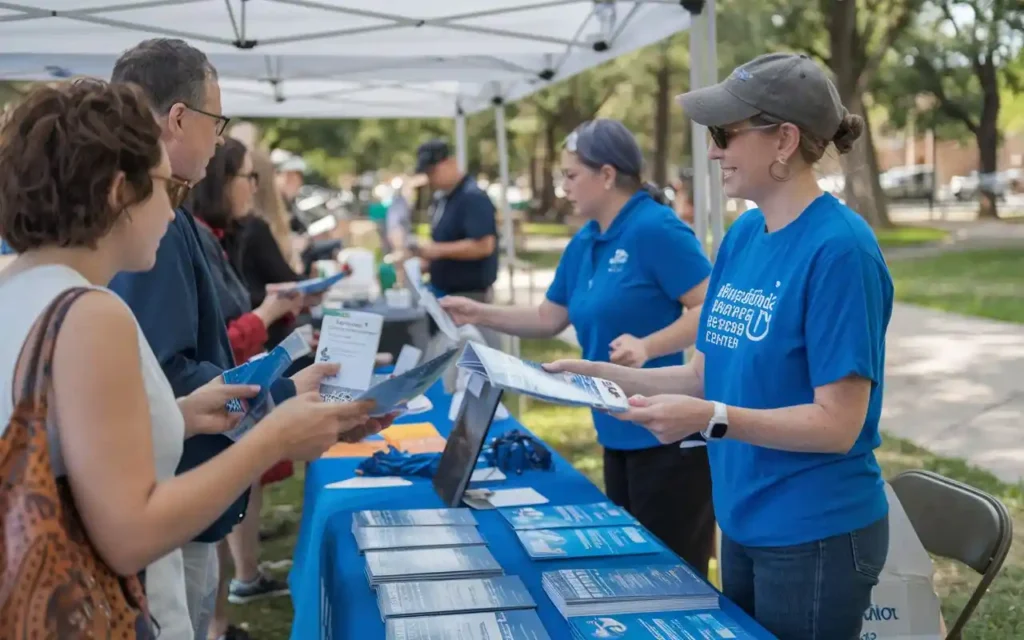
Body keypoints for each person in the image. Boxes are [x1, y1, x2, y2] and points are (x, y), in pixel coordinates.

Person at [0, 79, 380, 639]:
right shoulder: (89, 313)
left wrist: (184, 412)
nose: (174, 209)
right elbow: (130, 532)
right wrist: (270, 441)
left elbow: (73, 448)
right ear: (116, 192)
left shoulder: (19, 289)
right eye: (164, 188)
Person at [546, 53, 890, 640]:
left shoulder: (841, 251)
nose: (712, 151)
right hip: (744, 518)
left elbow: (837, 426)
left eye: (725, 134)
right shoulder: (743, 235)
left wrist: (711, 420)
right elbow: (704, 378)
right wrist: (603, 374)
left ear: (783, 139)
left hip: (813, 530)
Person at [106, 39, 341, 640]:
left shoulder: (166, 213)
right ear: (179, 119)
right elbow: (160, 376)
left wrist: (281, 390)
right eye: (217, 122)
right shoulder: (146, 221)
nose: (219, 139)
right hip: (171, 503)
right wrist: (278, 402)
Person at [441, 119, 715, 574]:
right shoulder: (587, 238)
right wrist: (477, 313)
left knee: (674, 575)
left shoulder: (656, 229)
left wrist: (649, 345)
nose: (563, 187)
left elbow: (710, 307)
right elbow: (550, 317)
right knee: (634, 569)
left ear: (607, 175)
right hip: (616, 429)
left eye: (571, 176)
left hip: (669, 436)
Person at [412, 139, 499, 309]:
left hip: (469, 295)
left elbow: (484, 245)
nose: (430, 178)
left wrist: (437, 251)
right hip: (444, 290)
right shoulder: (442, 198)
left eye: (433, 171)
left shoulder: (472, 197)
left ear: (451, 163)